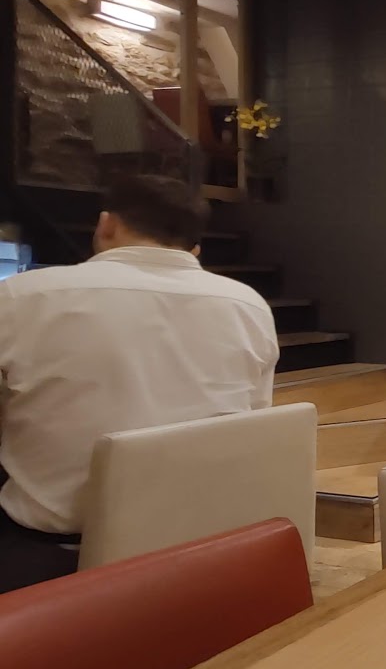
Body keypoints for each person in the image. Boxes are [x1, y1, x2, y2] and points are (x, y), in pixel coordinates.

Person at [0, 175, 279, 593]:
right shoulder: (249, 305)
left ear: (106, 224)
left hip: (50, 565)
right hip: (204, 553)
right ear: (194, 248)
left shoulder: (20, 296)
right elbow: (252, 422)